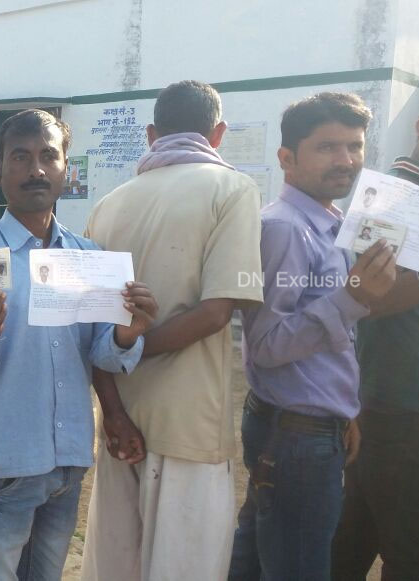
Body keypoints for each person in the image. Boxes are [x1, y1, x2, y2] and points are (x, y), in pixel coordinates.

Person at [0, 109, 157, 580]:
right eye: (20, 157)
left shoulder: (88, 258)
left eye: (47, 156)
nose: (35, 170)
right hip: (5, 463)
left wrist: (128, 331)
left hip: (67, 460)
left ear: (66, 169)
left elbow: (103, 355)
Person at [81, 80, 265, 581]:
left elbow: (94, 335)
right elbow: (215, 312)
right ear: (219, 133)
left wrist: (116, 403)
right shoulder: (234, 190)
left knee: (116, 567)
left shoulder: (109, 204)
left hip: (120, 423)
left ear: (151, 134)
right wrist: (133, 349)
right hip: (190, 426)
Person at [228, 92, 396, 581]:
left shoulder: (334, 225)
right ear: (286, 158)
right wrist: (352, 298)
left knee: (259, 562)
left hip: (309, 427)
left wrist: (345, 410)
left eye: (355, 146)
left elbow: (334, 340)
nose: (345, 160)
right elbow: (264, 345)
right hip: (293, 438)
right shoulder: (284, 229)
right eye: (326, 147)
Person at [332, 95, 419, 580]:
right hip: (396, 405)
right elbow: (362, 301)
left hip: (402, 407)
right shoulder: (395, 197)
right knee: (408, 552)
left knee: (356, 537)